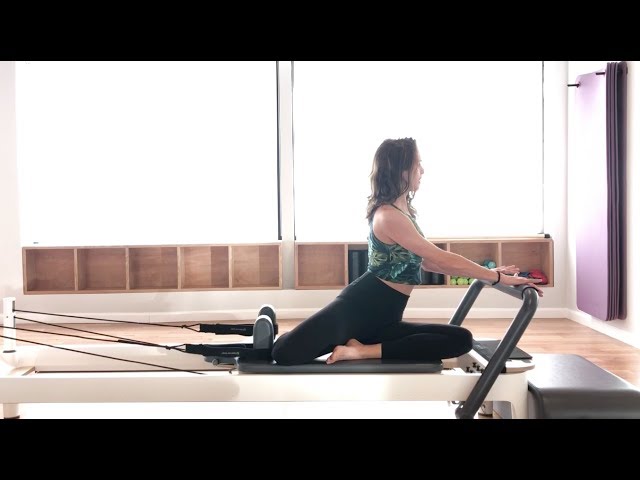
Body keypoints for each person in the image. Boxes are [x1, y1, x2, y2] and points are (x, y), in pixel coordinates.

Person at [272, 137, 543, 366]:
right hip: (359, 309)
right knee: (284, 352)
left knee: (460, 339)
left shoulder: (404, 212)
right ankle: (260, 335)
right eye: (418, 165)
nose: (422, 170)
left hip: (386, 319)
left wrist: (489, 273)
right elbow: (438, 257)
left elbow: (430, 264)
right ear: (402, 170)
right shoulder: (388, 215)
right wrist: (496, 278)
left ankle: (360, 350)